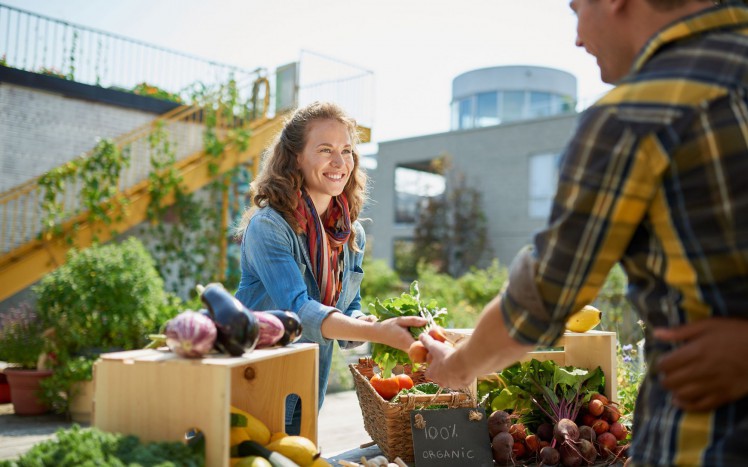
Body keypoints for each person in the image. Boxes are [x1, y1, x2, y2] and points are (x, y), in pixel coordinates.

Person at [420, 0, 748, 465]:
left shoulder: (637, 114)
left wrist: (456, 367)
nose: (576, 38)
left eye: (575, 8)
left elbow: (542, 300)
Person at [234, 101, 426, 435]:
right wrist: (376, 332)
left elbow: (347, 306)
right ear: (296, 157)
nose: (340, 163)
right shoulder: (270, 227)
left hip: (306, 389)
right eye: (325, 149)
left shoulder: (351, 234)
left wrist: (362, 321)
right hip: (253, 385)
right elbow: (298, 314)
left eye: (347, 150)